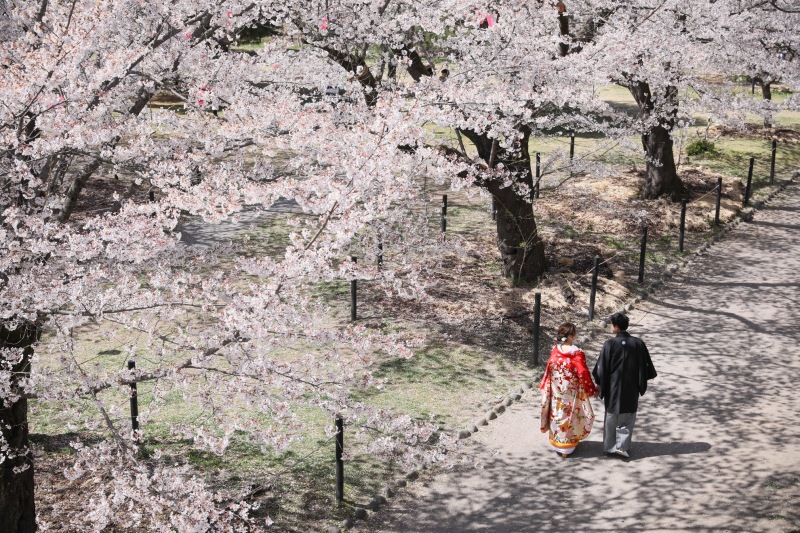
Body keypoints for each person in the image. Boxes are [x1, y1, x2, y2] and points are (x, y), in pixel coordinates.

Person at [592, 312, 657, 458]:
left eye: (611, 324)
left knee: (611, 415)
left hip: (613, 387)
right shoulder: (638, 343)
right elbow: (646, 366)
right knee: (628, 416)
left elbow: (601, 368)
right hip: (631, 386)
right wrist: (641, 383)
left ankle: (609, 447)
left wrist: (599, 384)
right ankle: (622, 447)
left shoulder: (609, 344)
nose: (610, 326)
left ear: (616, 327)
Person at [540, 322, 596, 458]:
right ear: (571, 336)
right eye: (575, 334)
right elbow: (583, 372)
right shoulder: (577, 353)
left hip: (555, 392)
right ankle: (567, 447)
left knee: (557, 415)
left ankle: (557, 444)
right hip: (571, 393)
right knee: (570, 417)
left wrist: (545, 386)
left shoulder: (555, 350)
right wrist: (590, 388)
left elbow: (549, 369)